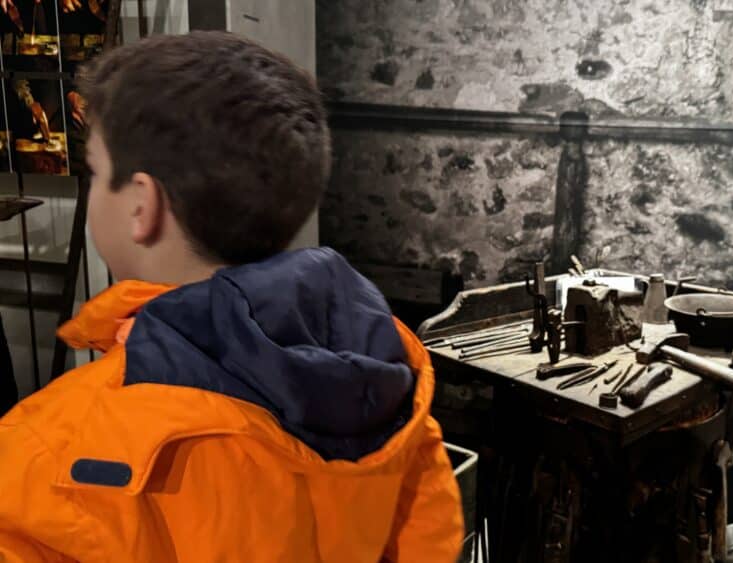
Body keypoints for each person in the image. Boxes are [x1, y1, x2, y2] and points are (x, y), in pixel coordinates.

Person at [0, 31, 463, 562]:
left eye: (96, 172)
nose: (93, 185)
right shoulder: (394, 407)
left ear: (140, 205)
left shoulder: (45, 452)